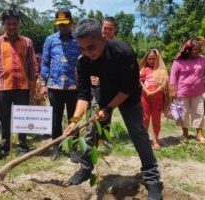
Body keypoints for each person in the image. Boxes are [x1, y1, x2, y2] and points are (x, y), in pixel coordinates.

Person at [63, 19, 162, 200]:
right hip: (103, 96)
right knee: (92, 133)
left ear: (102, 38)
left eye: (90, 47)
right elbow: (84, 94)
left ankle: (152, 179)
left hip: (128, 96)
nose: (86, 53)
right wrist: (75, 121)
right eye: (82, 49)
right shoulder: (84, 61)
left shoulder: (122, 52)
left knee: (138, 133)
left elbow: (127, 88)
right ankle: (85, 169)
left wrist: (108, 109)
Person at [0, 9, 37, 158]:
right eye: (8, 24)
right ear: (3, 24)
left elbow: (32, 65)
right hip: (4, 86)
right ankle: (5, 145)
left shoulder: (27, 42)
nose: (12, 27)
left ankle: (22, 143)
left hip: (22, 86)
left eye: (14, 24)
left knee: (23, 116)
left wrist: (33, 86)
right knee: (5, 117)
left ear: (18, 24)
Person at [40, 9, 80, 160]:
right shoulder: (50, 40)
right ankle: (56, 147)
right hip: (54, 86)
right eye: (60, 24)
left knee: (73, 118)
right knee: (55, 118)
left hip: (73, 86)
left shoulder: (78, 39)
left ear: (71, 22)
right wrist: (44, 83)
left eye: (65, 24)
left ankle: (74, 148)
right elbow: (45, 62)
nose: (63, 27)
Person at [170, 39, 205, 143]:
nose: (197, 52)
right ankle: (185, 133)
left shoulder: (202, 59)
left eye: (199, 50)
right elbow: (173, 76)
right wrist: (172, 90)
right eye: (195, 50)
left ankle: (199, 134)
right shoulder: (178, 61)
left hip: (198, 92)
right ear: (188, 50)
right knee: (182, 113)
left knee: (199, 112)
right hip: (182, 92)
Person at [139, 49, 169, 150]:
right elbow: (139, 81)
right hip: (145, 98)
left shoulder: (162, 70)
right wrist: (147, 91)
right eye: (149, 59)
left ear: (158, 59)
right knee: (145, 118)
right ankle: (144, 139)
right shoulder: (144, 69)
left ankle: (155, 140)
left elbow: (163, 84)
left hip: (157, 99)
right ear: (146, 59)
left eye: (154, 59)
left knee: (156, 119)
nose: (151, 61)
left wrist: (153, 92)